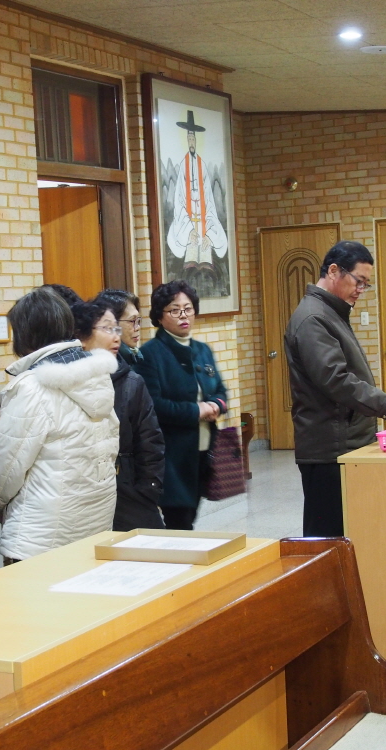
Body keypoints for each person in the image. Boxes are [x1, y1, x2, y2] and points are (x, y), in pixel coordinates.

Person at [284, 240, 386, 537]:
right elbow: (336, 379)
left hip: (344, 442)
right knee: (328, 538)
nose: (361, 290)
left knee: (353, 532)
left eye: (366, 284)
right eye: (359, 281)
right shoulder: (313, 318)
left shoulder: (331, 311)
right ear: (334, 271)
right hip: (329, 449)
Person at [0, 287, 119, 562]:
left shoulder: (32, 387)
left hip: (38, 540)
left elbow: (1, 473)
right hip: (94, 528)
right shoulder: (97, 377)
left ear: (24, 334)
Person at [137, 280, 227, 530]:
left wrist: (217, 405)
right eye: (174, 310)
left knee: (190, 515)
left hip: (205, 448)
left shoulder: (202, 350)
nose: (183, 315)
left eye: (188, 309)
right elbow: (154, 405)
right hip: (172, 455)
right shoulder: (150, 354)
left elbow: (220, 390)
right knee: (180, 520)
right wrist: (196, 411)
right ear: (159, 316)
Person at [73, 300, 165, 531]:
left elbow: (150, 442)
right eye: (107, 329)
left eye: (116, 328)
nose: (116, 337)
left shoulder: (131, 382)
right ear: (81, 337)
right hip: (83, 499)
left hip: (130, 492)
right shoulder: (67, 384)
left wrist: (149, 490)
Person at [167, 110, 227, 289]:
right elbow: (179, 198)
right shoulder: (183, 165)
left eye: (194, 139)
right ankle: (191, 265)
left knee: (208, 242)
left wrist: (208, 231)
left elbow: (208, 199)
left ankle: (207, 268)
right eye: (189, 139)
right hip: (187, 219)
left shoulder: (202, 165)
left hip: (203, 218)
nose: (191, 142)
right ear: (187, 140)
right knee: (191, 247)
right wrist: (188, 229)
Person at [95, 288, 145, 369]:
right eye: (132, 321)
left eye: (138, 321)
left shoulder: (134, 357)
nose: (138, 327)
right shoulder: (105, 364)